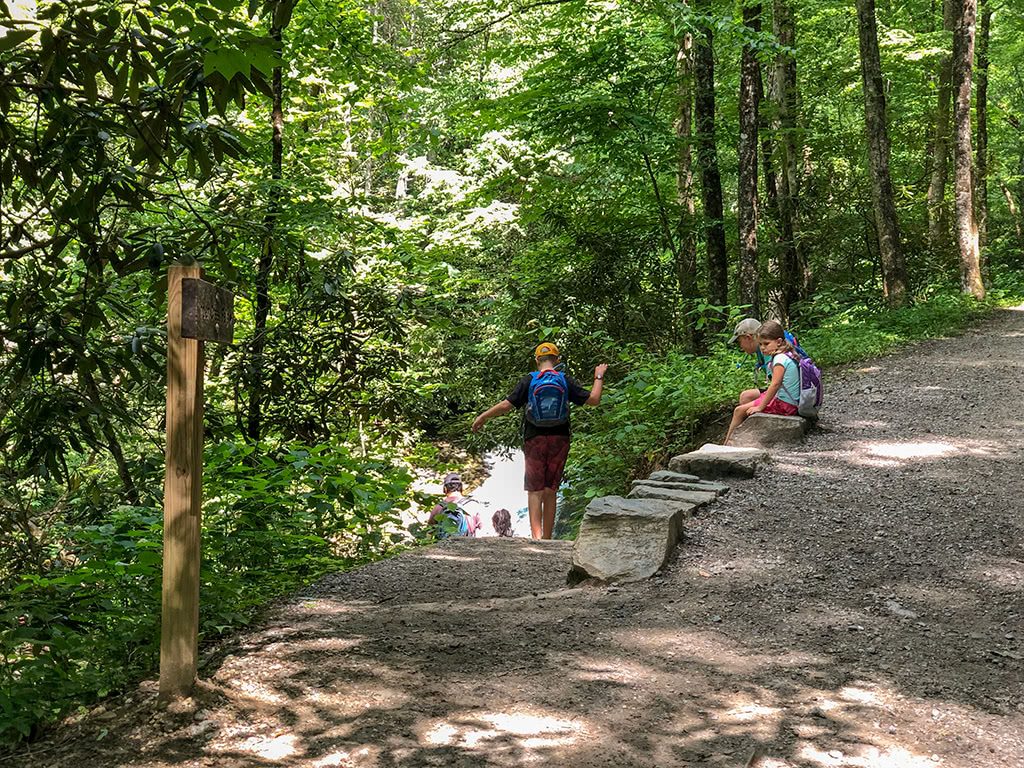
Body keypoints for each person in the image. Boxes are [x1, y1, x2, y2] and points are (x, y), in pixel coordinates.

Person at [472, 343, 608, 540]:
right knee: (550, 489)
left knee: (535, 490)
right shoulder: (564, 380)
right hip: (560, 438)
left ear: (537, 360)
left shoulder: (530, 380)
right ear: (557, 360)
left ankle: (536, 540)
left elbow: (505, 405)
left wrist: (483, 417)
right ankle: (547, 538)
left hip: (534, 437)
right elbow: (594, 399)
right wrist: (599, 375)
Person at [725, 320, 801, 444]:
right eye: (761, 344)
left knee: (739, 411)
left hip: (785, 403)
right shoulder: (785, 353)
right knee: (745, 401)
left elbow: (775, 384)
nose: (762, 348)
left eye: (765, 344)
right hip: (789, 399)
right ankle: (742, 438)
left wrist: (760, 406)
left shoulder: (778, 358)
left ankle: (728, 445)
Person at [428, 472, 481, 538]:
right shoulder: (472, 504)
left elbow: (430, 531)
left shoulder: (438, 507)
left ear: (445, 489)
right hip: (468, 545)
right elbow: (481, 527)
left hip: (444, 546)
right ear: (461, 488)